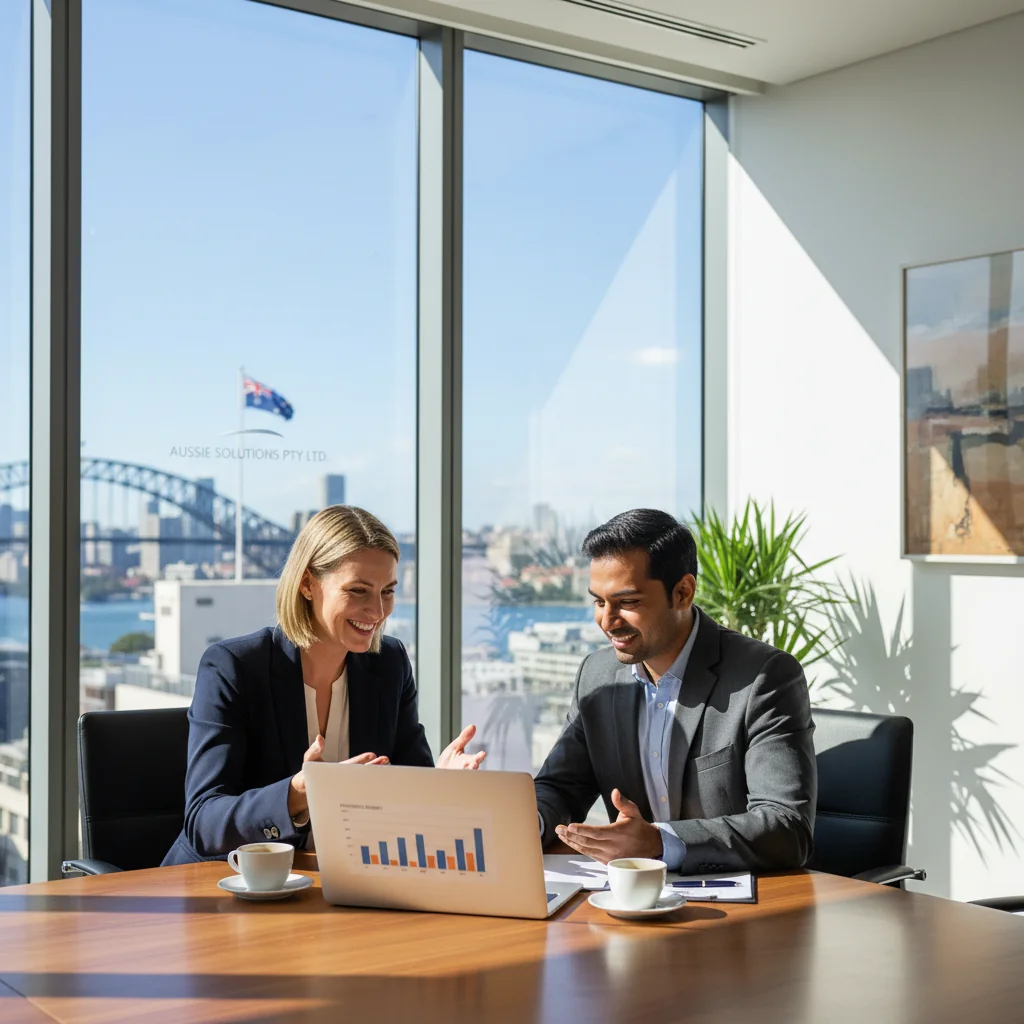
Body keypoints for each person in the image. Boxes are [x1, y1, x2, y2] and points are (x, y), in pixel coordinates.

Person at [163, 505, 484, 866]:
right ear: (307, 584)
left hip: (339, 883)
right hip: (222, 888)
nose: (378, 612)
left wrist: (442, 786)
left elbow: (404, 797)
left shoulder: (388, 663)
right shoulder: (234, 667)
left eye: (388, 592)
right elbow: (204, 824)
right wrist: (299, 792)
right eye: (359, 591)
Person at [534, 508, 816, 873]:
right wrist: (529, 822)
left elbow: (786, 826)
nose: (607, 620)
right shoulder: (597, 675)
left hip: (743, 908)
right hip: (628, 899)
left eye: (628, 603)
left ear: (683, 592)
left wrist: (658, 841)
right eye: (599, 602)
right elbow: (560, 787)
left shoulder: (763, 677)